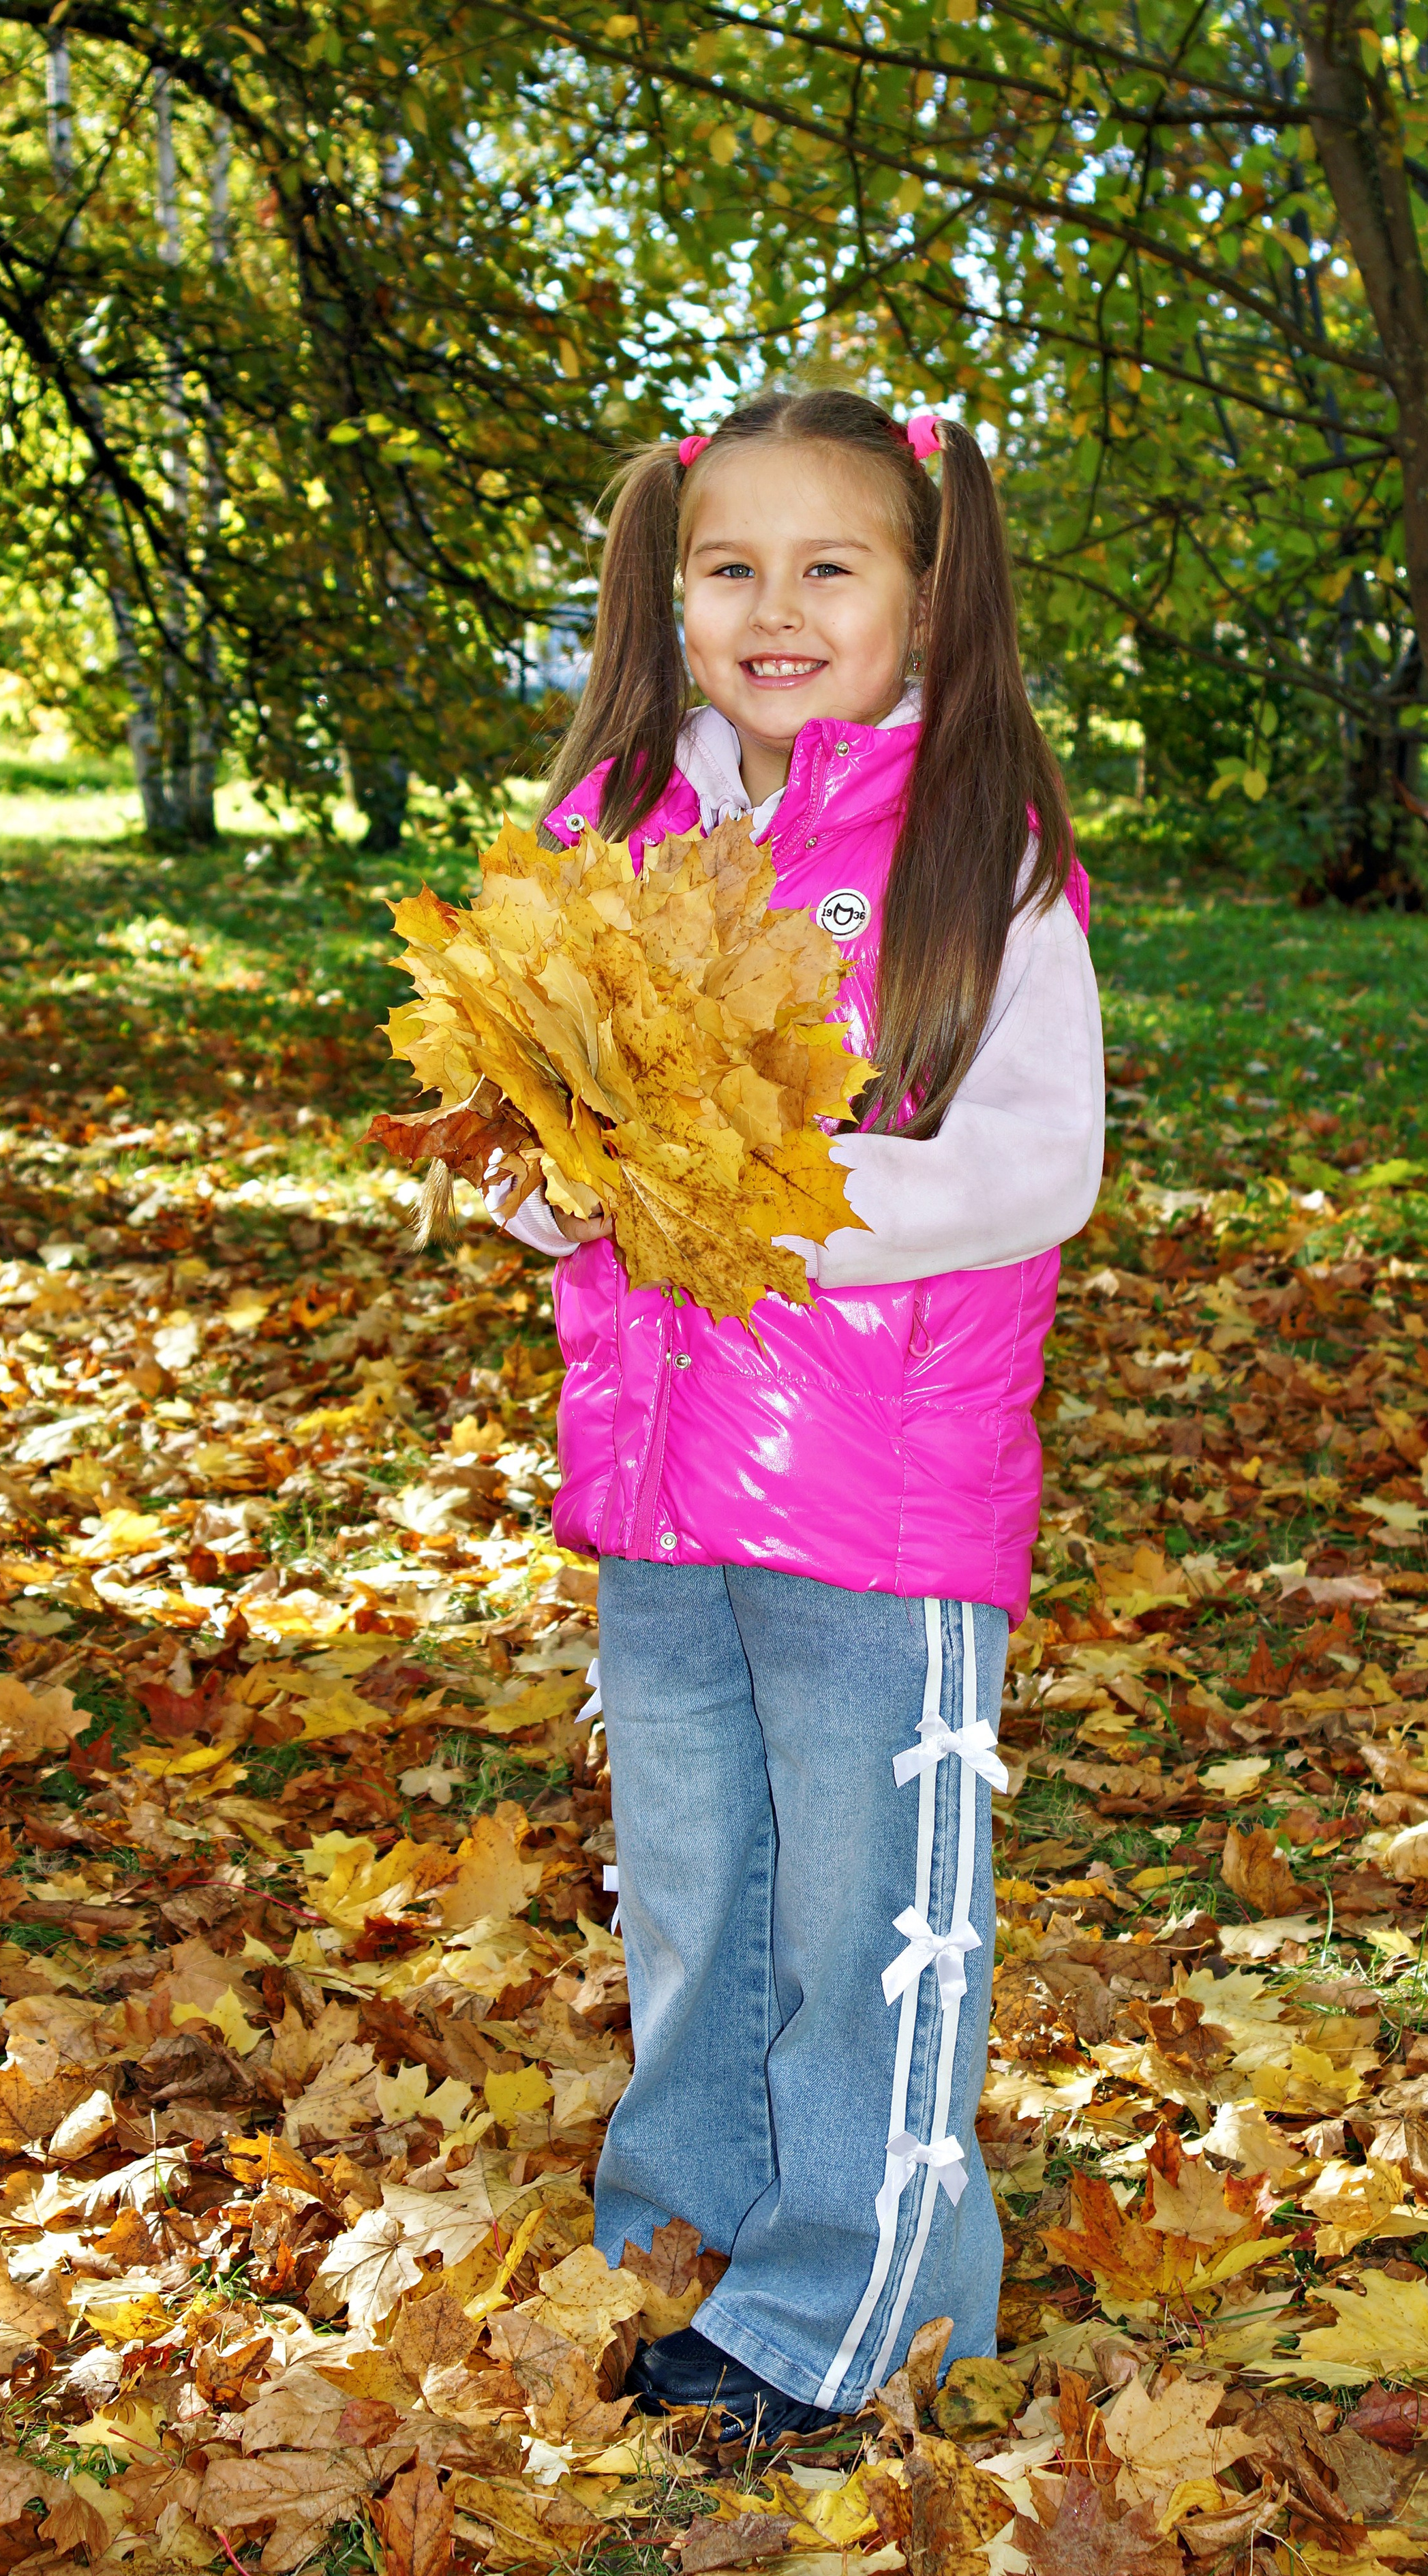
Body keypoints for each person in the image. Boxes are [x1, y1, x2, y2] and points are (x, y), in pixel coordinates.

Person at [486, 387, 1105, 2442]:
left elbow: (1035, 1165)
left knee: (873, 1914)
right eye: (727, 565)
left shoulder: (973, 849)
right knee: (694, 1885)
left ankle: (865, 2310)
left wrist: (760, 1214)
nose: (773, 606)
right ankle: (699, 2235)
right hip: (662, 1484)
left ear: (923, 609)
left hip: (884, 1493)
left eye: (827, 565)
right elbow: (537, 1125)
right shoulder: (612, 835)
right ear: (668, 601)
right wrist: (550, 1178)